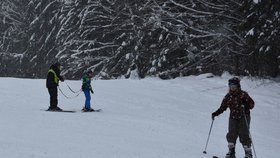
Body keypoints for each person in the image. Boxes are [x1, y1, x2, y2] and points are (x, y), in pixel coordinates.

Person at [212, 77, 255, 158]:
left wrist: (245, 105)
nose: (232, 88)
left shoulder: (243, 94)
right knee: (231, 134)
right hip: (233, 117)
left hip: (244, 116)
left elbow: (252, 104)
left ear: (238, 86)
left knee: (244, 134)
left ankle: (248, 153)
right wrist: (216, 113)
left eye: (234, 86)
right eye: (231, 86)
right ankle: (231, 152)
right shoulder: (228, 96)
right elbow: (223, 107)